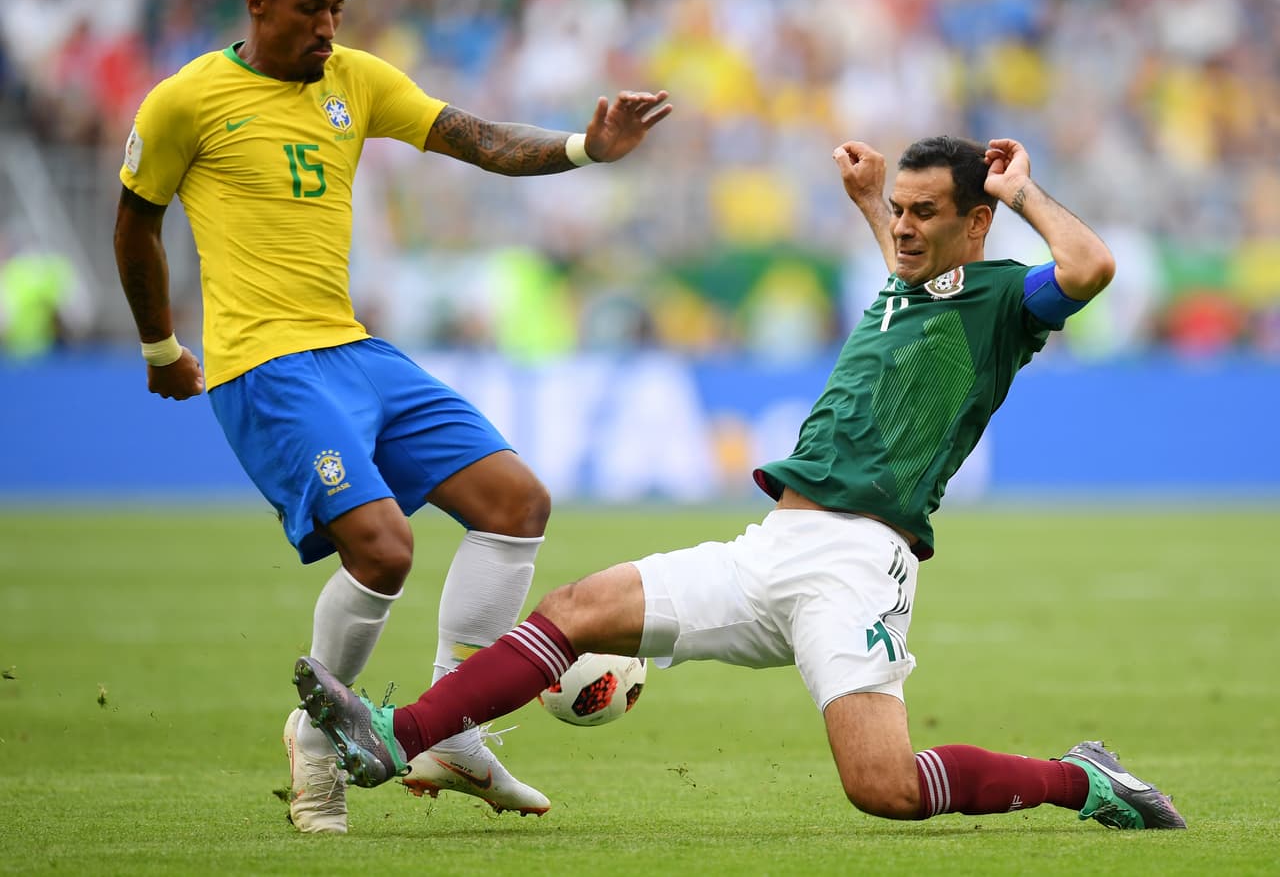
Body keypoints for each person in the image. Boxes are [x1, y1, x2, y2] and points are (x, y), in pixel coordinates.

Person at [294, 132, 1188, 832]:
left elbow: (1090, 269)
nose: (906, 228)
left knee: (885, 788)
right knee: (575, 607)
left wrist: (1021, 188)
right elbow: (911, 263)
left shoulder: (1001, 301)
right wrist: (872, 200)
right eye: (901, 212)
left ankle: (1083, 780)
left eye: (926, 213)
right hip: (770, 549)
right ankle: (395, 735)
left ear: (976, 222)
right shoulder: (908, 281)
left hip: (857, 563)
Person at [112, 0, 671, 835]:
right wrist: (160, 348)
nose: (328, 26)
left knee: (516, 504)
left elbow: (477, 139)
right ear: (256, 2)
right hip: (266, 365)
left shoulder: (356, 81)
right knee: (384, 549)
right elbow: (135, 224)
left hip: (354, 352)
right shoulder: (185, 102)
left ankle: (454, 727)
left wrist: (584, 148)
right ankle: (318, 739)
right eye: (309, 7)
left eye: (337, 7)